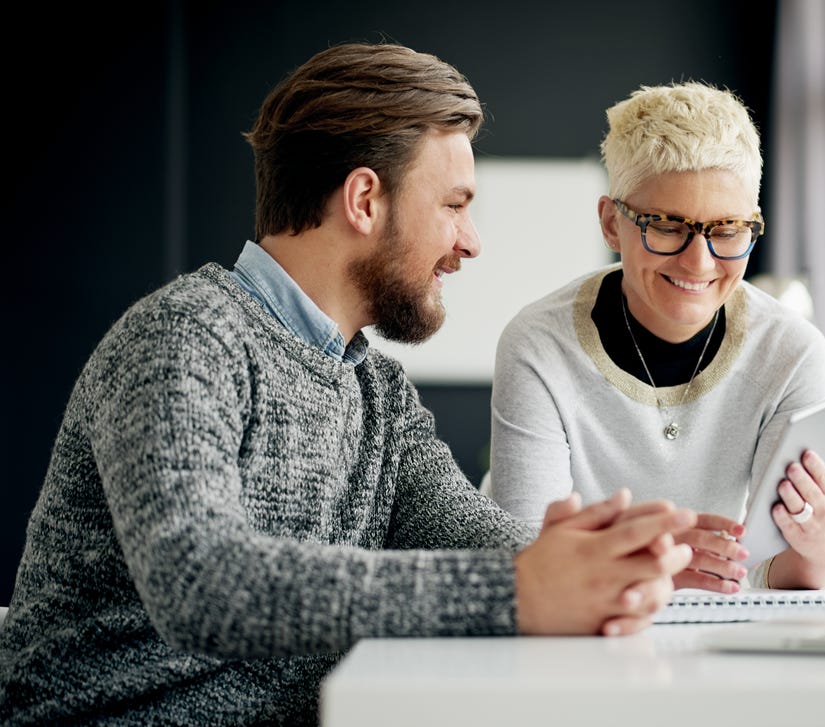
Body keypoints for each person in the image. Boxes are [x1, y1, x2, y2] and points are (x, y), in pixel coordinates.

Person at [0, 42, 697, 726]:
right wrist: (519, 589)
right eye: (455, 204)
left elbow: (467, 533)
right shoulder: (185, 336)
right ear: (365, 198)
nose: (471, 241)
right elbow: (200, 581)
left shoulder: (379, 392)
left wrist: (612, 560)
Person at [487, 81, 825, 594]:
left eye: (726, 231)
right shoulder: (538, 346)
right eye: (666, 226)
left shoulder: (793, 352)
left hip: (706, 625)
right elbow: (528, 565)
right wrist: (661, 567)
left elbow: (781, 579)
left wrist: (823, 547)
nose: (698, 263)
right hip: (575, 630)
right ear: (612, 224)